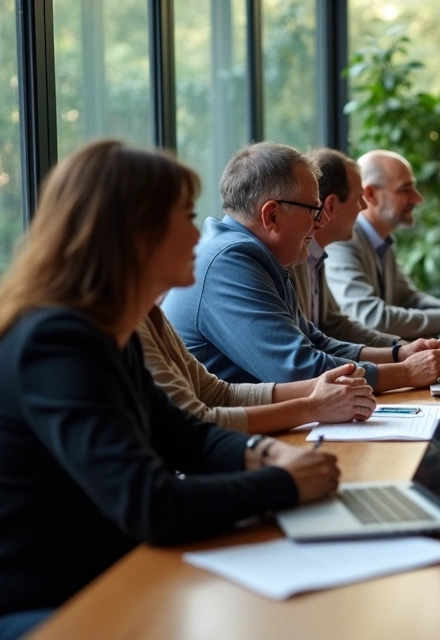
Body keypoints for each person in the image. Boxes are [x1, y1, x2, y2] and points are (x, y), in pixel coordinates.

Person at [0, 141, 339, 639]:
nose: (197, 235)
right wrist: (286, 483)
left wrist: (268, 455)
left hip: (110, 578)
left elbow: (185, 434)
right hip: (52, 607)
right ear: (137, 236)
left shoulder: (105, 329)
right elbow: (150, 504)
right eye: (185, 217)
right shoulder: (56, 342)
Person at [161, 142, 440, 392]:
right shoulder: (229, 262)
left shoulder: (259, 255)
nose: (321, 221)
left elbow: (315, 341)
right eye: (314, 210)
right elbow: (299, 369)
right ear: (272, 216)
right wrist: (406, 372)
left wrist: (399, 353)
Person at [137, 305, 376, 433]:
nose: (196, 236)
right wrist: (313, 406)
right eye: (188, 219)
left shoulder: (150, 311)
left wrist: (318, 387)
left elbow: (218, 395)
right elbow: (193, 423)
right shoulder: (129, 326)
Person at [326, 150, 440, 338]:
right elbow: (370, 318)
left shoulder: (382, 241)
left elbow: (408, 298)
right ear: (370, 194)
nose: (417, 199)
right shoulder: (342, 242)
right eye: (405, 189)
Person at [289, 148, 418, 350]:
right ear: (331, 206)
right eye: (359, 198)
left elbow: (334, 327)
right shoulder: (290, 260)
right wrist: (398, 359)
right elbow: (301, 353)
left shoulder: (315, 255)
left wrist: (398, 347)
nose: (364, 208)